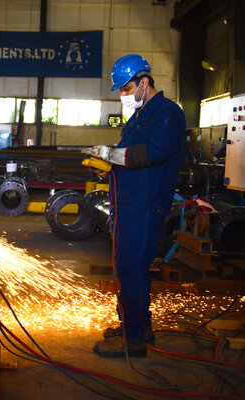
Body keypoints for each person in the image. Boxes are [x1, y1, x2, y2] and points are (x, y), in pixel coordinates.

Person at [82, 54, 185, 358]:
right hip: (128, 202)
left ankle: (134, 338)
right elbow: (125, 156)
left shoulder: (168, 113)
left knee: (132, 269)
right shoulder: (138, 118)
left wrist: (114, 156)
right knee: (129, 268)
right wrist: (106, 165)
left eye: (127, 89)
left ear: (144, 82)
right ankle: (138, 325)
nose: (124, 96)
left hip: (146, 203)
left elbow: (154, 152)